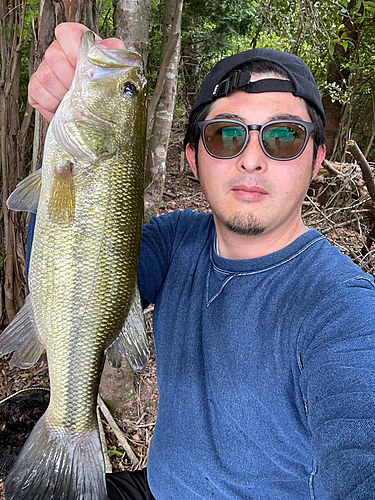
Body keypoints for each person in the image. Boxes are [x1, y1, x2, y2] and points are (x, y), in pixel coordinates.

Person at [28, 23, 375, 500]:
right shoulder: (176, 243)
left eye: (283, 137)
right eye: (226, 134)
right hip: (158, 488)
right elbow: (66, 267)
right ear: (192, 158)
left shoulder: (345, 308)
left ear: (317, 160)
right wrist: (63, 139)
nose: (252, 158)